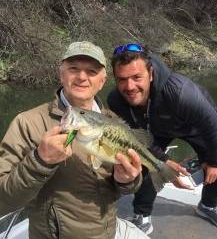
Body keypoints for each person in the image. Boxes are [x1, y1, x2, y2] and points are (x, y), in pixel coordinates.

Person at [0, 41, 150, 239]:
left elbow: (124, 188)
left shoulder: (114, 122)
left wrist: (127, 181)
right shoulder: (28, 123)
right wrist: (39, 161)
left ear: (102, 80)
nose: (81, 77)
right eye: (73, 69)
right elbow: (3, 201)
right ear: (61, 74)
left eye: (91, 71)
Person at [107, 43, 217, 235]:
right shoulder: (115, 101)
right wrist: (164, 161)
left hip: (191, 126)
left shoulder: (181, 93)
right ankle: (142, 215)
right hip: (154, 129)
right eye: (122, 80)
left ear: (150, 74)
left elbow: (214, 124)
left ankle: (208, 206)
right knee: (141, 162)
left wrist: (215, 162)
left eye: (137, 77)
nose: (130, 86)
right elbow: (138, 138)